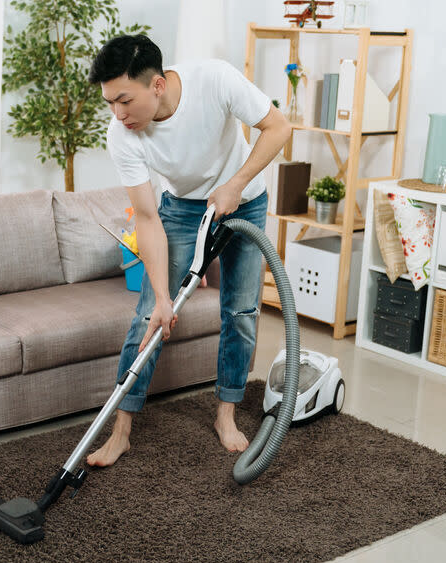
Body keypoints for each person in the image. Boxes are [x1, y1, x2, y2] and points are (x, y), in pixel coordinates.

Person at [86, 34, 292, 467]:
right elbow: (146, 217)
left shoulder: (214, 80)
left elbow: (278, 128)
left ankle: (226, 414)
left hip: (244, 200)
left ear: (157, 86)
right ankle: (120, 431)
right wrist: (163, 297)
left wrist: (234, 185)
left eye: (125, 101)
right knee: (148, 316)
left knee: (240, 311)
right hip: (179, 208)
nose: (118, 114)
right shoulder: (121, 136)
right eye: (110, 103)